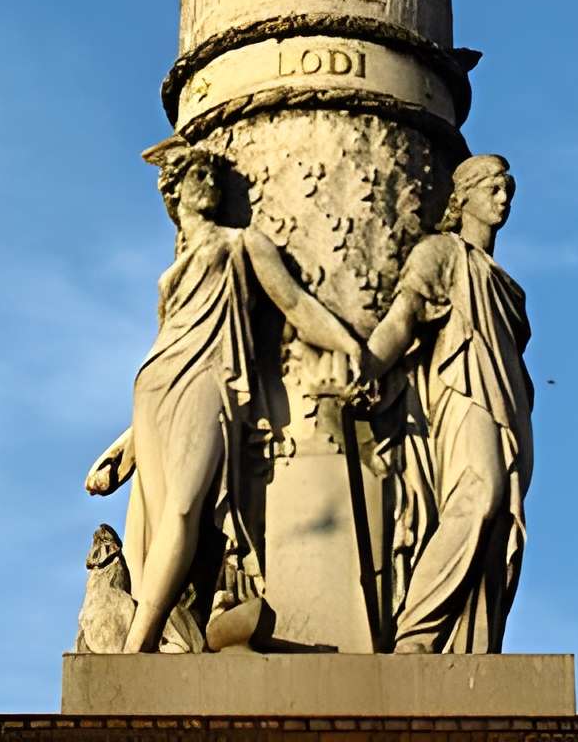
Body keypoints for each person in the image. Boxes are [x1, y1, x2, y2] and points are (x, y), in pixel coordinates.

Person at [84, 139, 366, 652]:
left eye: (214, 176)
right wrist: (124, 446)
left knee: (188, 509)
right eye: (197, 176)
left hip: (210, 376)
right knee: (157, 517)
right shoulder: (173, 270)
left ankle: (139, 644)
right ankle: (160, 637)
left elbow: (296, 305)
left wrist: (351, 346)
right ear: (173, 193)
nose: (209, 184)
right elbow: (169, 336)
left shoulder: (242, 245)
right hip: (155, 382)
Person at [362, 153, 533, 651]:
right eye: (493, 189)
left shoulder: (506, 287)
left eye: (508, 190)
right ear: (463, 198)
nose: (502, 200)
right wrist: (366, 367)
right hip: (461, 390)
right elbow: (404, 317)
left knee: (501, 520)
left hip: (510, 401)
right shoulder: (441, 254)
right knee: (477, 500)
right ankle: (418, 632)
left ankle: (470, 646)